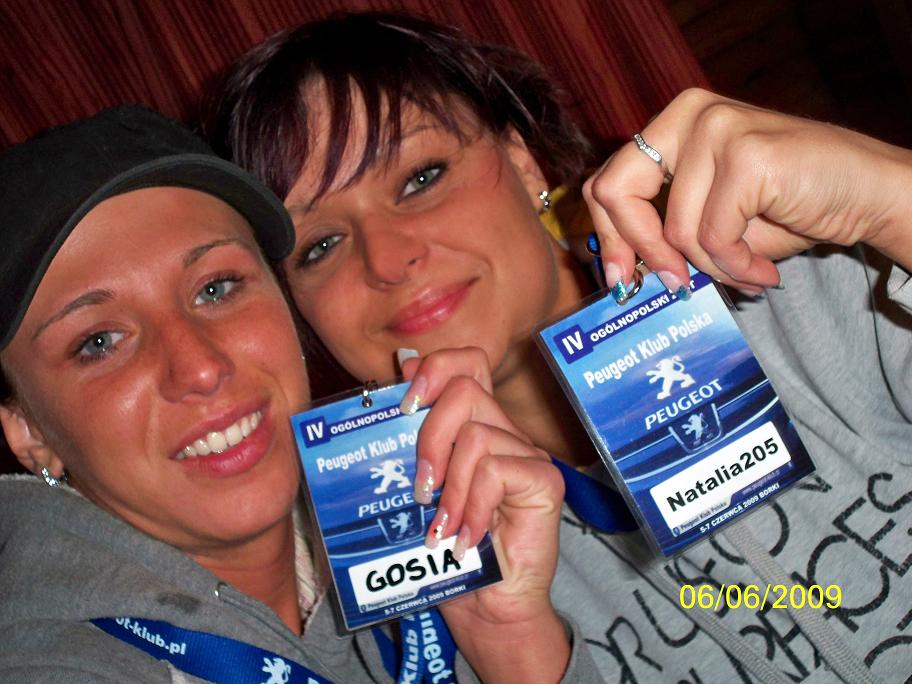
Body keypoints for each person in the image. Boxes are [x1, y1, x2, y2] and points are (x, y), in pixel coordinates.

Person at [211, 12, 912, 682]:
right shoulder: (398, 599)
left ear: (523, 164)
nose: (387, 259)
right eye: (320, 246)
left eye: (421, 178)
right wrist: (512, 648)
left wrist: (891, 198)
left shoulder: (802, 294)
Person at [0, 106, 604, 683]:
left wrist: (509, 643)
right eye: (99, 342)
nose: (200, 369)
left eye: (216, 288)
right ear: (30, 432)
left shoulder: (404, 524)